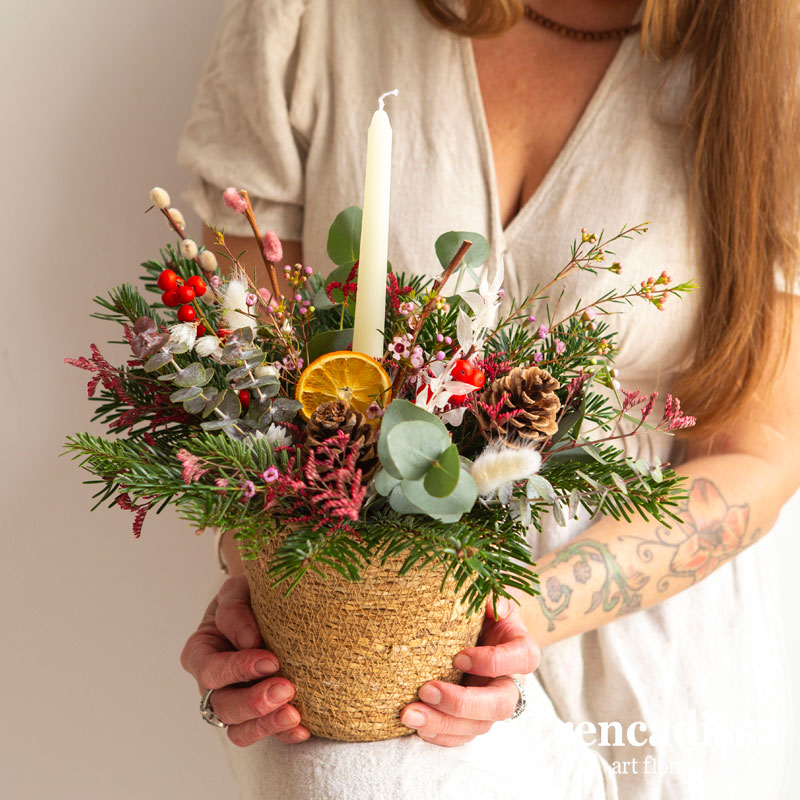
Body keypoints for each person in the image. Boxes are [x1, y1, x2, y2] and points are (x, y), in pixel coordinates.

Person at [176, 0, 800, 797]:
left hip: (664, 662)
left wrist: (506, 614)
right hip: (374, 616)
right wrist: (260, 577)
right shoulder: (317, 18)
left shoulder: (762, 51)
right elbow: (258, 394)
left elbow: (760, 447)